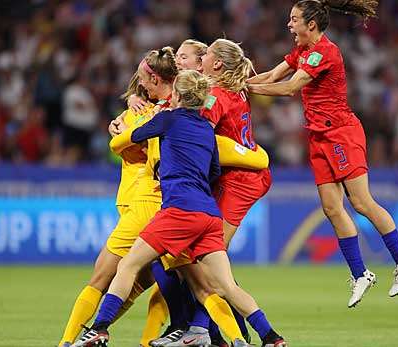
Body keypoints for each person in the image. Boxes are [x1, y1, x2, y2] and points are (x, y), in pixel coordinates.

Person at [71, 70, 286, 347]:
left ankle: (99, 328)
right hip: (208, 215)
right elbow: (213, 171)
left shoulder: (168, 119)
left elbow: (133, 137)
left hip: (178, 211)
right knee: (225, 286)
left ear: (177, 96)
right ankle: (272, 337)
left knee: (129, 264)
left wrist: (121, 129)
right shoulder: (208, 131)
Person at [247, 0, 398, 308]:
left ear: (310, 24)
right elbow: (273, 75)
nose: (289, 25)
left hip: (341, 133)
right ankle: (361, 274)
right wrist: (238, 85)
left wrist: (248, 89)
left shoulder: (325, 52)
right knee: (331, 207)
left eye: (294, 19)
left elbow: (290, 88)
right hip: (318, 136)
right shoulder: (301, 50)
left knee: (362, 202)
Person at [155, 38, 278, 347]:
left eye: (206, 54)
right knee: (204, 262)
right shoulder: (232, 90)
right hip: (238, 176)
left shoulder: (217, 97)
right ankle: (218, 332)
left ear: (216, 64)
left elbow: (197, 134)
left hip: (239, 181)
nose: (202, 56)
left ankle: (204, 330)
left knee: (207, 259)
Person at [56, 49, 176, 347]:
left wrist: (121, 127)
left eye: (142, 78)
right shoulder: (172, 107)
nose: (138, 84)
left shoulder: (154, 114)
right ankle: (131, 339)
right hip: (168, 204)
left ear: (154, 77)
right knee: (153, 282)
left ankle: (70, 340)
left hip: (145, 201)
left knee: (103, 276)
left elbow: (118, 143)